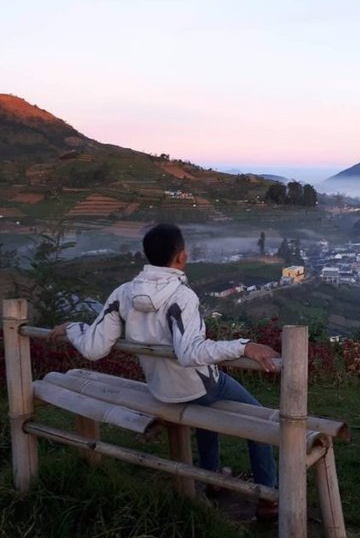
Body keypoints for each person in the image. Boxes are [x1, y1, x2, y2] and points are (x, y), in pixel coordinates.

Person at [49, 223, 280, 521]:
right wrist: (244, 346)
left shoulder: (123, 294)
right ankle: (268, 498)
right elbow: (191, 352)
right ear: (182, 257)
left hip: (162, 389)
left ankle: (211, 477)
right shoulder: (182, 296)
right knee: (258, 421)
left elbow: (94, 348)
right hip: (200, 386)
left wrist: (72, 328)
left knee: (207, 414)